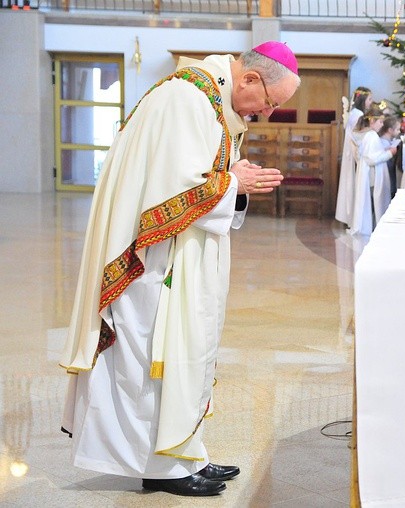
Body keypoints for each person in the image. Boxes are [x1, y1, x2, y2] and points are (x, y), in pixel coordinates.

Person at [58, 42, 301, 497]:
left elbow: (197, 175)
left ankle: (186, 452)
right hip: (150, 259)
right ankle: (161, 468)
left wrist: (234, 179)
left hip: (182, 250)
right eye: (270, 102)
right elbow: (168, 193)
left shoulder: (212, 100)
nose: (267, 113)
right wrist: (234, 182)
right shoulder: (187, 97)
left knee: (184, 351)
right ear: (249, 78)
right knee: (153, 359)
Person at [349, 105, 397, 236]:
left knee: (368, 201)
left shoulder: (361, 134)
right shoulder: (371, 135)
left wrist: (383, 151)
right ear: (372, 121)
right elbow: (372, 158)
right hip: (372, 175)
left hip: (365, 173)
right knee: (374, 201)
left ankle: (369, 225)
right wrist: (390, 153)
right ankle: (374, 227)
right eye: (380, 121)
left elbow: (367, 155)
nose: (382, 125)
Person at [335, 87, 373, 227]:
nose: (371, 102)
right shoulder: (357, 115)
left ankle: (352, 218)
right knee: (351, 183)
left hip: (352, 152)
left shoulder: (357, 113)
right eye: (369, 99)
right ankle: (351, 218)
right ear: (362, 99)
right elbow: (358, 135)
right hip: (353, 154)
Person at [378, 115, 401, 199]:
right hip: (386, 173)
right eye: (398, 129)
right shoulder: (383, 142)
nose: (399, 131)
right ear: (390, 130)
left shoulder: (388, 141)